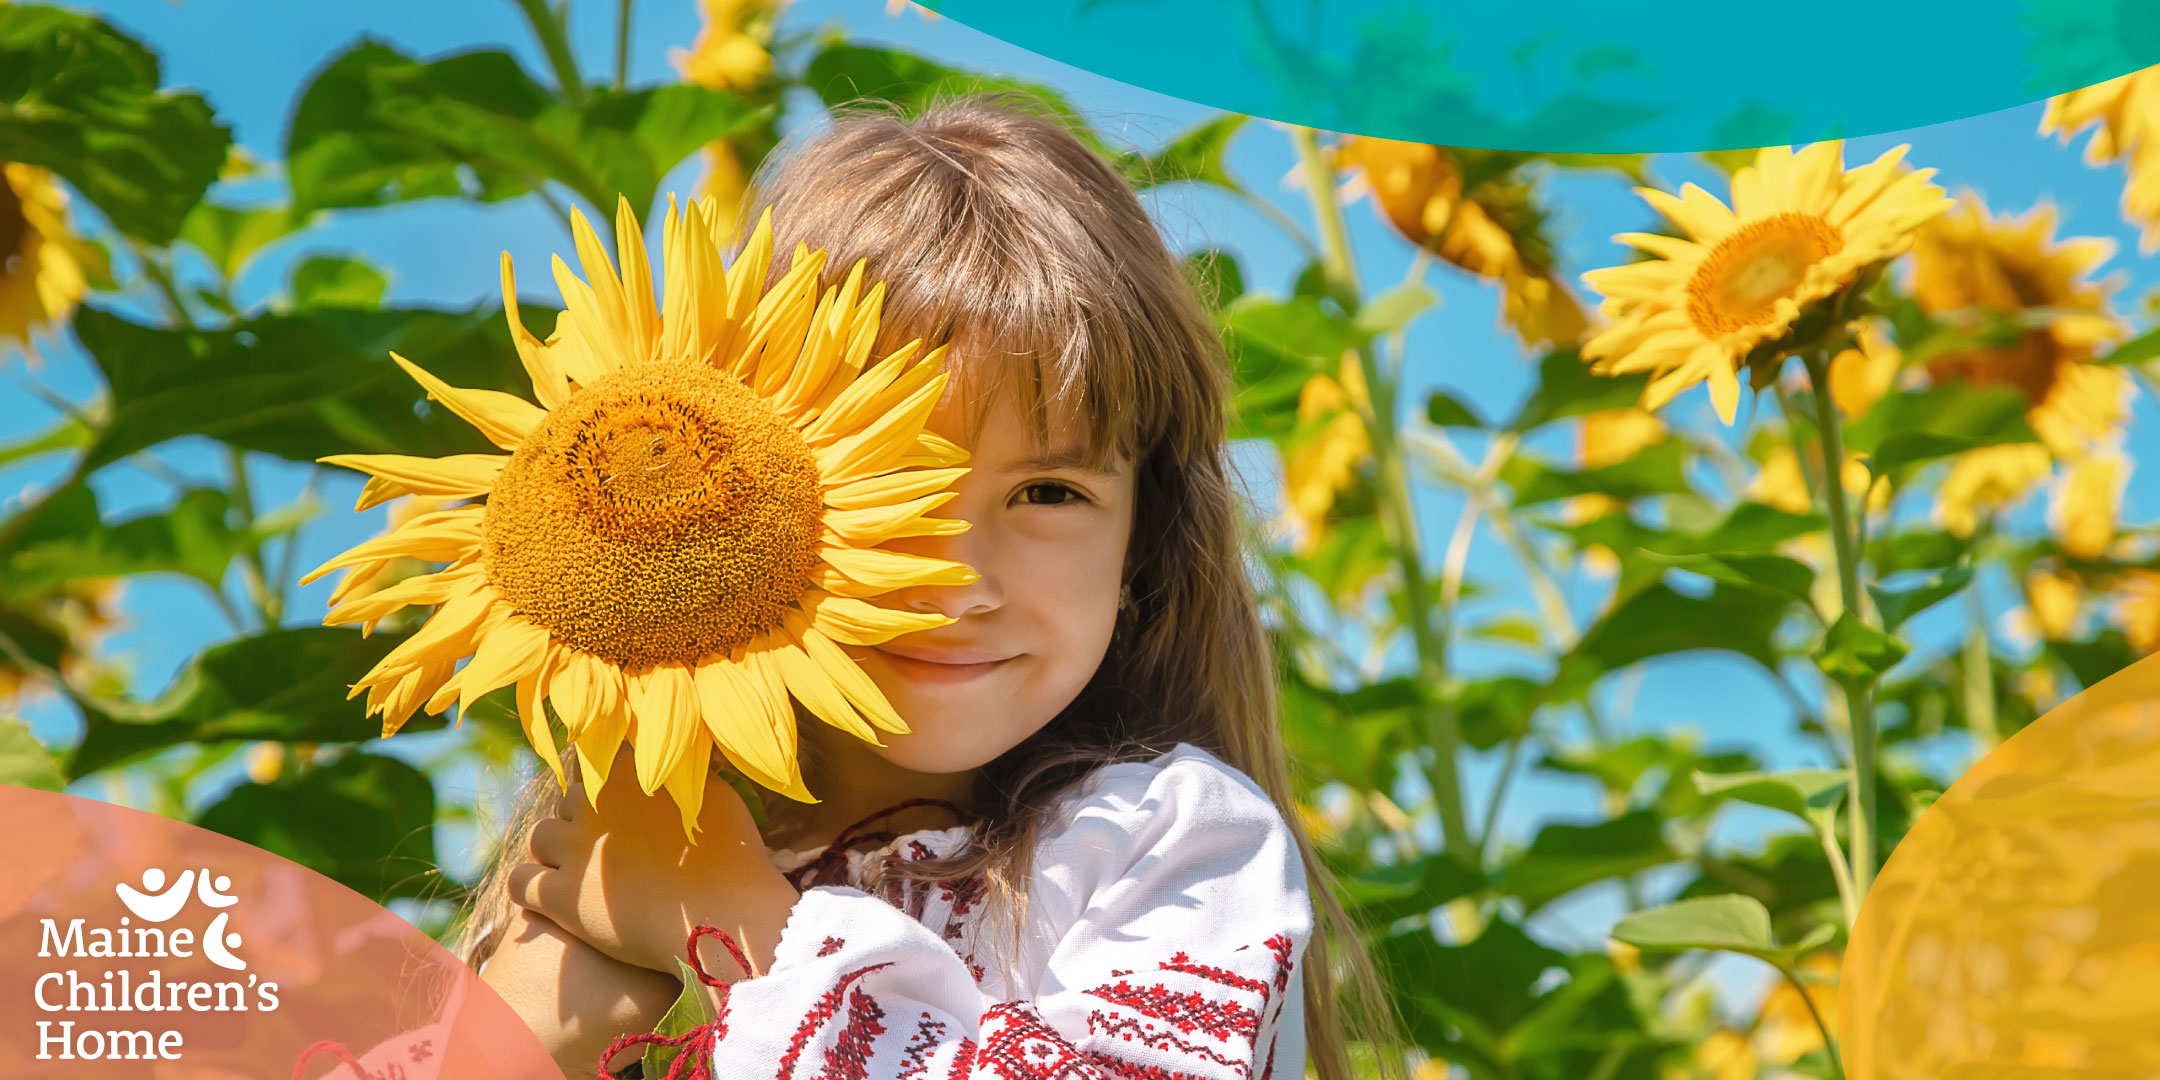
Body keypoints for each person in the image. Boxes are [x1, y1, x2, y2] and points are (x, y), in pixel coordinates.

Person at [456, 93, 1403, 1080]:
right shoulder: (612, 865)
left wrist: (742, 938)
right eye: (886, 485)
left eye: (1048, 491)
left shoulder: (1164, 846)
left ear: (1144, 541)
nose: (957, 581)